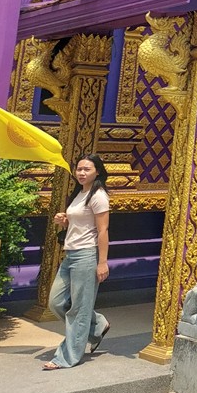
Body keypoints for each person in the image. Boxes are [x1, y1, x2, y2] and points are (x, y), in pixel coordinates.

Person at [43, 154, 111, 370]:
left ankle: (66, 357)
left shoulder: (98, 196)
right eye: (79, 169)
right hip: (71, 253)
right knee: (56, 302)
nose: (81, 173)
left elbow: (103, 231)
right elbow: (81, 224)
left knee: (79, 309)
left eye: (86, 169)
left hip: (87, 255)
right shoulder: (79, 193)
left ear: (97, 172)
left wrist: (102, 262)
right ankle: (97, 325)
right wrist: (64, 221)